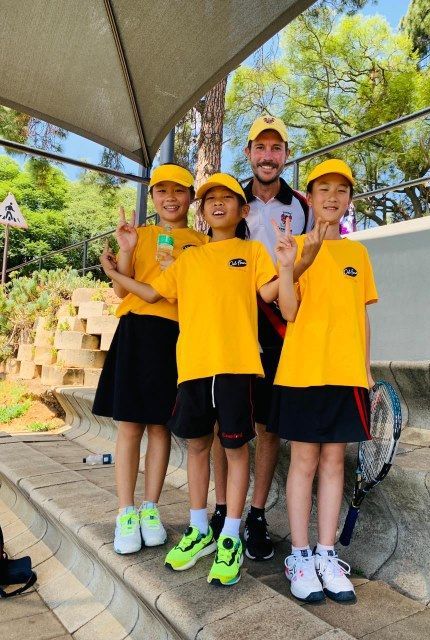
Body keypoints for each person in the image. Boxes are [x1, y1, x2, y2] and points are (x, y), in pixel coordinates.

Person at [99, 173, 279, 586]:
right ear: (203, 211)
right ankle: (199, 528)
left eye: (227, 199)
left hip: (236, 367)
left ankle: (230, 534)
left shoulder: (251, 252)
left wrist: (293, 265)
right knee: (197, 445)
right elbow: (149, 293)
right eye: (210, 199)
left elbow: (270, 294)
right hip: (193, 367)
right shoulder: (188, 259)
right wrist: (115, 272)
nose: (218, 204)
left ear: (243, 209)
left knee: (234, 449)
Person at [210, 115, 319, 561]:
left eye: (277, 148)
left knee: (268, 425)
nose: (268, 156)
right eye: (261, 147)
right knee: (224, 423)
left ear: (285, 155)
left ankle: (255, 516)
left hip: (278, 325)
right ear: (250, 151)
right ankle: (221, 512)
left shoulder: (304, 205)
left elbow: (311, 263)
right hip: (231, 325)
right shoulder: (229, 200)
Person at [269, 159, 378, 604]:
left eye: (341, 190)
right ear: (309, 198)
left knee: (335, 464)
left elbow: (363, 319)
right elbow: (289, 311)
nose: (332, 197)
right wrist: (289, 266)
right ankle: (298, 555)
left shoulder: (359, 254)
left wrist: (367, 370)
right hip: (302, 372)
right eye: (322, 190)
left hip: (346, 375)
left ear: (349, 199)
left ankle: (326, 555)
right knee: (304, 463)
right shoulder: (292, 246)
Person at [92, 164, 207, 555]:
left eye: (179, 191)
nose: (170, 198)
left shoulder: (200, 242)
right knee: (129, 427)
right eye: (162, 191)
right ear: (153, 196)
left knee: (160, 427)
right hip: (136, 332)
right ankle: (125, 512)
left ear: (191, 197)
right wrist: (125, 251)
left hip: (175, 337)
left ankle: (150, 508)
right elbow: (120, 285)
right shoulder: (137, 234)